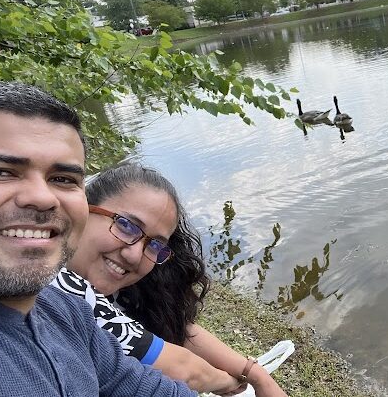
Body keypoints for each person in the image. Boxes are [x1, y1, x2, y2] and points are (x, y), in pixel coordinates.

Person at [0, 80, 195, 396]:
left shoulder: (65, 311)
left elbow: (143, 387)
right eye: (0, 171)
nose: (43, 198)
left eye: (63, 179)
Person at [53, 162, 287, 397]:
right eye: (125, 225)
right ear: (83, 208)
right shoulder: (56, 285)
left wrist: (256, 375)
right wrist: (231, 384)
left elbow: (178, 329)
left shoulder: (116, 292)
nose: (134, 255)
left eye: (154, 244)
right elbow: (185, 370)